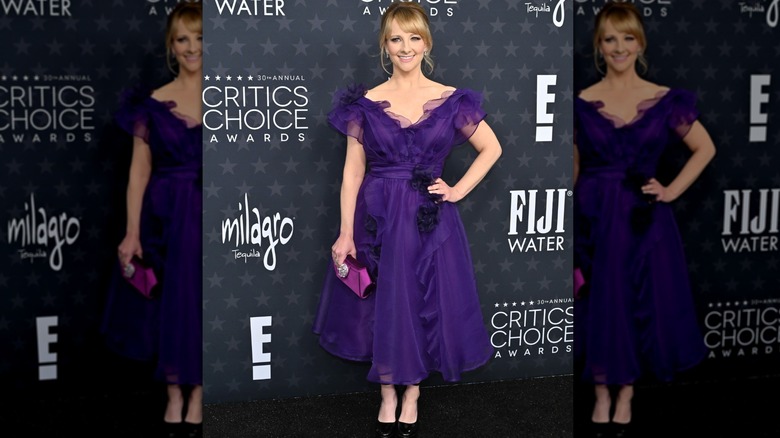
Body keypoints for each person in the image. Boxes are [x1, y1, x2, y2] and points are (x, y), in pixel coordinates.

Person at [312, 3, 502, 437]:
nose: (405, 47)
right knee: (383, 301)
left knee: (419, 299)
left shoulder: (453, 99)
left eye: (414, 37)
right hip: (377, 215)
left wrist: (456, 190)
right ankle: (386, 392)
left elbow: (492, 149)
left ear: (427, 43)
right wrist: (345, 233)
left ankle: (412, 391)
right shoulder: (366, 104)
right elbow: (352, 172)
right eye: (396, 38)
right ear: (384, 44)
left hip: (429, 219)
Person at [573, 2, 716, 437]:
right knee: (602, 304)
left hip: (643, 220)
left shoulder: (665, 99)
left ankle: (628, 391)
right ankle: (601, 392)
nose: (620, 47)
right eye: (611, 38)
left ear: (641, 43)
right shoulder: (580, 103)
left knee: (636, 303)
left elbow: (705, 148)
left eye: (628, 37)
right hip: (595, 217)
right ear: (599, 45)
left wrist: (670, 189)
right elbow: (574, 168)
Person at [100, 2, 203, 437]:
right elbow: (138, 173)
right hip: (167, 215)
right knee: (171, 303)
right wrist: (131, 231)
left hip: (211, 215)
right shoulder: (154, 104)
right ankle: (175, 392)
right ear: (170, 45)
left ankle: (198, 392)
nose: (192, 47)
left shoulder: (229, 98)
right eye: (183, 39)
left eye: (200, 37)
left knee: (201, 303)